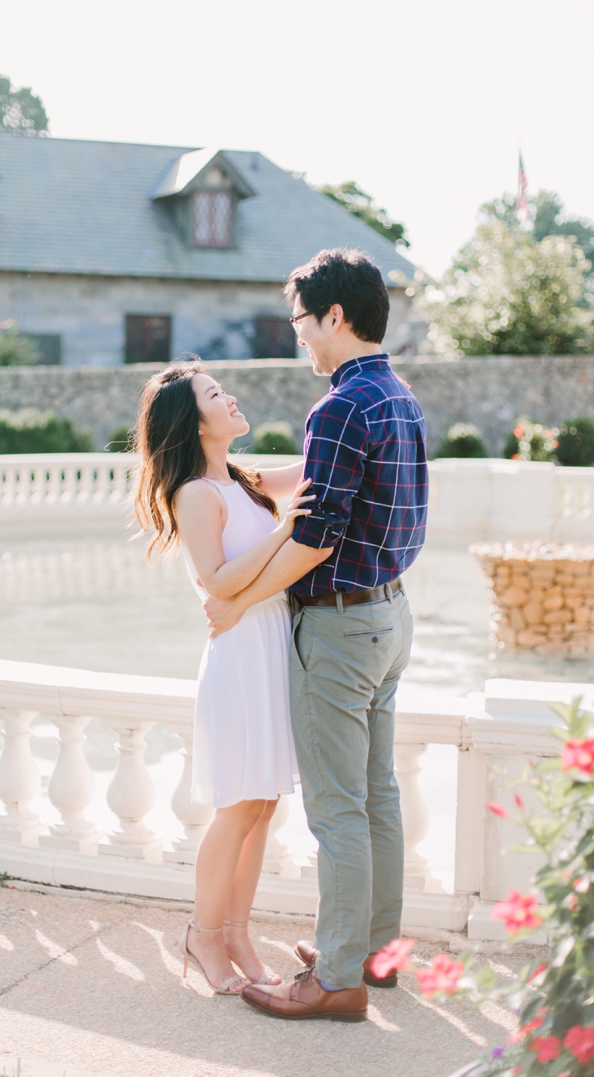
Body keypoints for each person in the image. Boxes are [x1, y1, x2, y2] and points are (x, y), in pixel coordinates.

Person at [203, 249, 429, 1022]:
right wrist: (238, 481)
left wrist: (237, 603)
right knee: (377, 795)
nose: (297, 335)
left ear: (334, 316)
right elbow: (330, 488)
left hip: (339, 626)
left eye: (300, 320)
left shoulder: (337, 407)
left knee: (337, 808)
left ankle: (336, 977)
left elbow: (317, 536)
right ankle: (373, 948)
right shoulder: (397, 397)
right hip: (392, 614)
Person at [133, 361, 312, 996]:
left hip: (267, 650)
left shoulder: (241, 478)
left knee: (263, 807)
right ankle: (203, 935)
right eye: (215, 394)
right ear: (194, 421)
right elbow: (218, 581)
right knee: (237, 807)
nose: (230, 397)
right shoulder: (196, 494)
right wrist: (288, 527)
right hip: (238, 658)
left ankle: (237, 931)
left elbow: (316, 465)